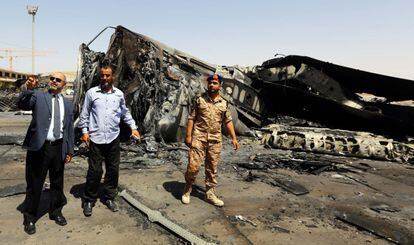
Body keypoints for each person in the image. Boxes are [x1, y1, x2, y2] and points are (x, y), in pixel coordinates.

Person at [78, 64, 140, 216]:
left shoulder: (118, 94)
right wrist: (84, 131)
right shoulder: (92, 93)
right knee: (95, 171)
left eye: (108, 75)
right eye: (102, 75)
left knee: (113, 170)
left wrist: (133, 127)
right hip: (96, 139)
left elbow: (125, 113)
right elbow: (84, 114)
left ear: (113, 77)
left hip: (113, 138)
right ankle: (89, 199)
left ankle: (109, 197)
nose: (105, 78)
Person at [17, 73, 74, 235]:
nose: (54, 81)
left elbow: (69, 129)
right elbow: (23, 104)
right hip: (40, 148)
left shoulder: (68, 104)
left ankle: (56, 212)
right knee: (35, 184)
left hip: (58, 148)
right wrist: (28, 89)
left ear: (64, 84)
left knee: (57, 182)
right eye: (52, 78)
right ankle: (29, 217)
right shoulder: (38, 96)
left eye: (58, 80)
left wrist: (70, 150)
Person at [182, 73, 240, 207]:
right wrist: (188, 136)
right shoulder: (199, 100)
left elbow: (228, 121)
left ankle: (210, 194)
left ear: (220, 86)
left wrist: (234, 138)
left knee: (212, 168)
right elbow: (191, 118)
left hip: (215, 140)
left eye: (215, 83)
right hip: (199, 137)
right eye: (210, 83)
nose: (212, 85)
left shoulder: (224, 104)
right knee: (193, 166)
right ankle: (187, 189)